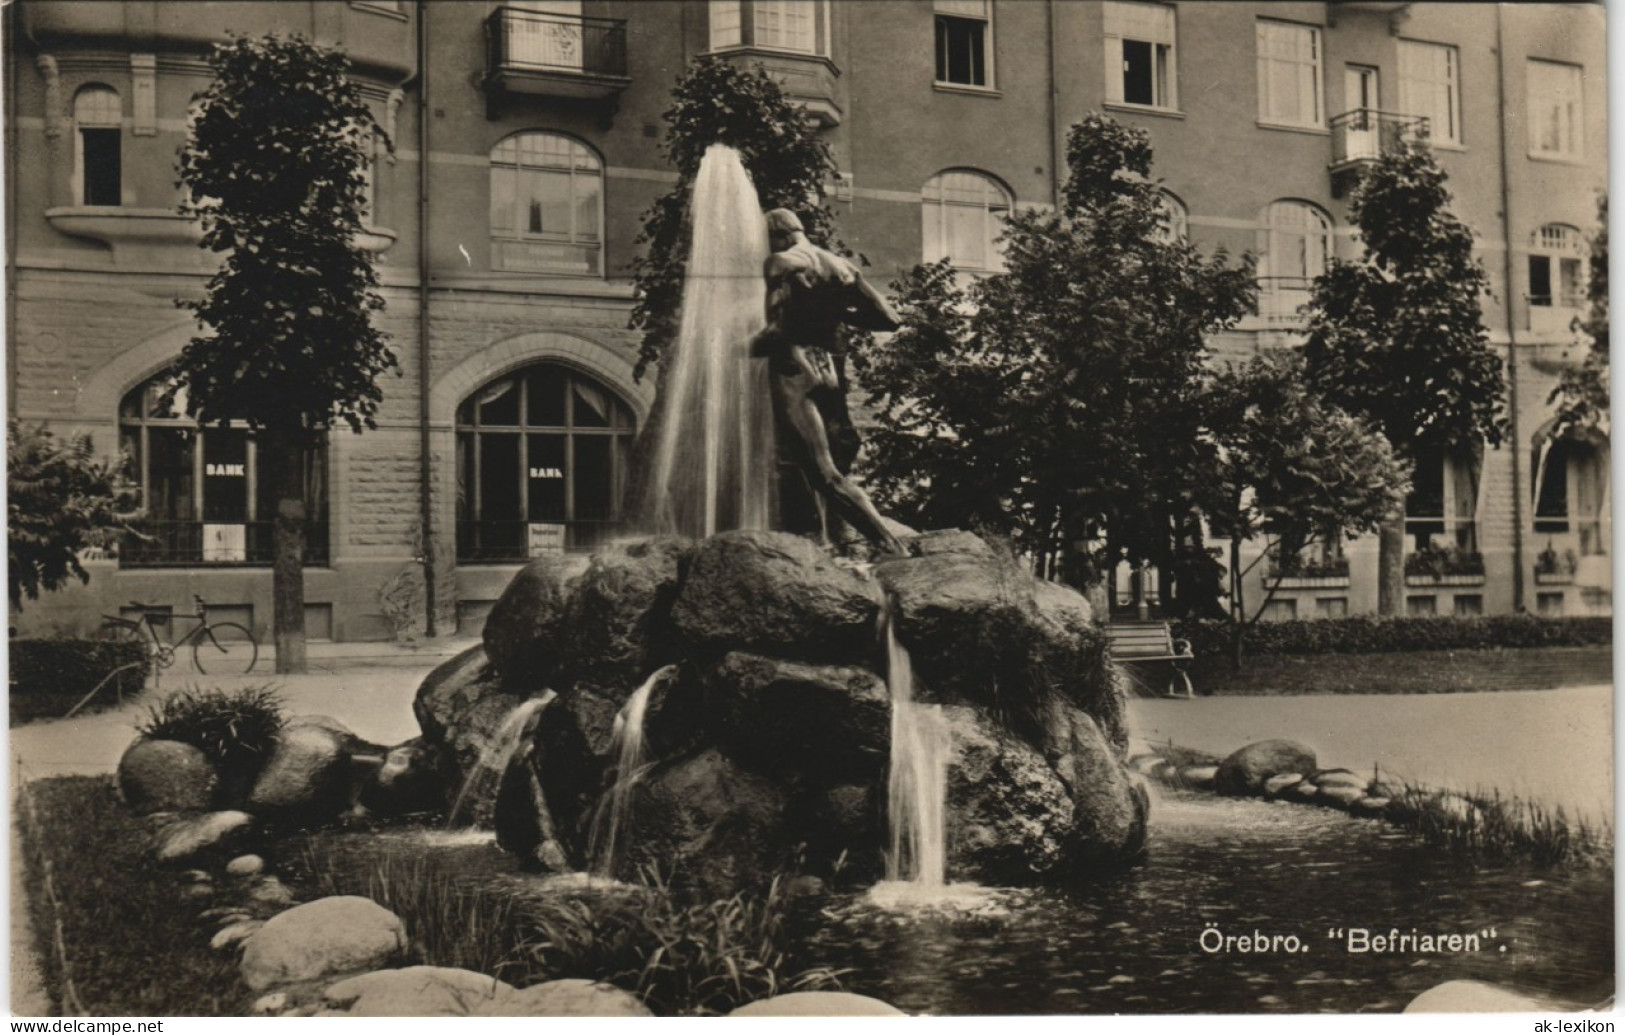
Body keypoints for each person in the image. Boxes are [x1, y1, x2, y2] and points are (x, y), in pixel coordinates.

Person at [749, 208, 903, 555]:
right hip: (827, 368)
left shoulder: (780, 263)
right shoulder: (842, 266)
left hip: (794, 369)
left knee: (823, 472)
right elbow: (889, 319)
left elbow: (774, 332)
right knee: (812, 463)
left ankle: (889, 545)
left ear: (779, 235)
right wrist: (831, 315)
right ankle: (824, 540)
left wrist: (728, 349)